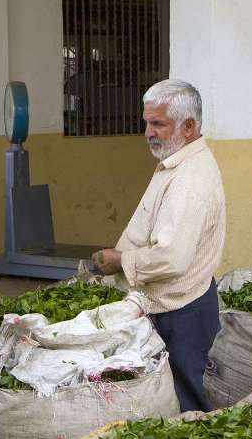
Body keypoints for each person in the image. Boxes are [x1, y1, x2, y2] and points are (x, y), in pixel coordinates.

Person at [91, 79, 226, 413]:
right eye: (146, 123)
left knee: (188, 401)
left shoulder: (190, 180)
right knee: (174, 396)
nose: (148, 133)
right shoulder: (177, 163)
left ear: (189, 126)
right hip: (174, 304)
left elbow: (172, 258)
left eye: (158, 124)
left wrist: (120, 260)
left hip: (183, 310)